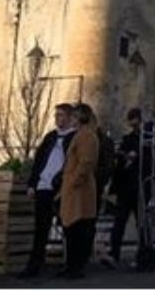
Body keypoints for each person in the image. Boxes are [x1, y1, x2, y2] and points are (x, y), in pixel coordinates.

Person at [18, 103, 75, 279]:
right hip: (43, 186)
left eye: (61, 115)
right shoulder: (50, 137)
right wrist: (32, 184)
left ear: (70, 117)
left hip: (61, 187)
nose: (58, 119)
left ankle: (71, 265)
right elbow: (39, 161)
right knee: (41, 228)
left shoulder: (74, 138)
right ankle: (34, 265)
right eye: (56, 115)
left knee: (67, 227)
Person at [58, 103, 100, 279]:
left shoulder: (86, 136)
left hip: (79, 191)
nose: (72, 120)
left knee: (76, 229)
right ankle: (71, 266)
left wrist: (74, 181)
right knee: (72, 230)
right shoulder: (81, 135)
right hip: (73, 188)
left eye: (74, 117)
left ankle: (75, 267)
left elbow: (86, 162)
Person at [107, 108, 144, 266]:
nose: (133, 124)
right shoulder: (127, 139)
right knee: (119, 222)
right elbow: (119, 165)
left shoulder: (147, 139)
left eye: (135, 120)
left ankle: (141, 255)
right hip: (126, 188)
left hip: (140, 187)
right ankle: (113, 254)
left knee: (141, 223)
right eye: (131, 121)